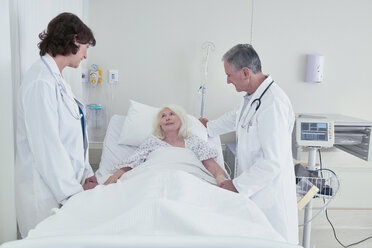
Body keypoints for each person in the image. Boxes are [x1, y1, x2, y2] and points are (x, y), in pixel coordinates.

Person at [199, 44, 298, 244]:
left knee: (272, 241)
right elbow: (235, 117)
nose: (227, 80)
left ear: (245, 72)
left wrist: (236, 186)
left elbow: (273, 161)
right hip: (255, 193)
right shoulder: (254, 98)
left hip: (271, 199)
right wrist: (207, 127)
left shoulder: (273, 103)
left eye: (229, 75)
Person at [15, 12, 98, 238]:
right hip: (45, 195)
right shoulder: (41, 82)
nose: (86, 55)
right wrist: (72, 194)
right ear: (74, 40)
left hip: (66, 188)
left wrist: (87, 173)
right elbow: (47, 147)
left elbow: (73, 135)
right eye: (86, 47)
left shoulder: (58, 80)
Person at [104, 104, 228, 185]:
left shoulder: (193, 141)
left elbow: (212, 166)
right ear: (160, 124)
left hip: (188, 181)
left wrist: (222, 181)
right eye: (163, 116)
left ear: (181, 120)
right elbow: (133, 161)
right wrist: (115, 177)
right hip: (155, 180)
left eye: (172, 114)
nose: (167, 118)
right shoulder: (152, 142)